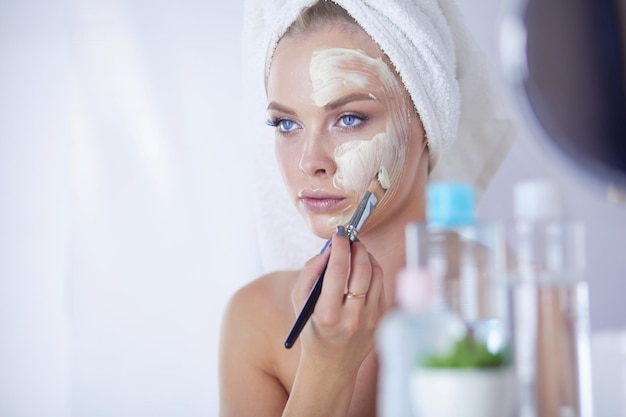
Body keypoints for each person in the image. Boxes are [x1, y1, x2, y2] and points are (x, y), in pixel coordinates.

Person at [219, 1, 515, 416]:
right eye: (287, 124)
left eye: (349, 118)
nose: (309, 162)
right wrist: (326, 370)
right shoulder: (256, 320)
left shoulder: (514, 294)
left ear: (427, 120)